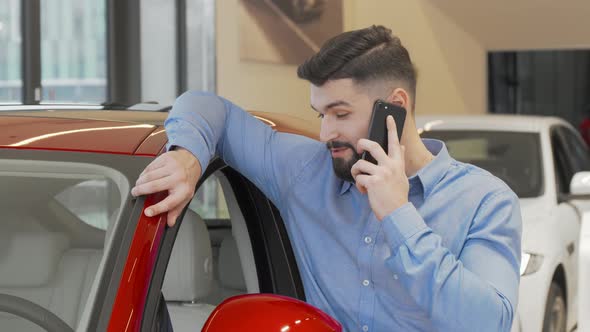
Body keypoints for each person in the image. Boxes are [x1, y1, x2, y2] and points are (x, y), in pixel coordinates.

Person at [131, 25, 522, 331]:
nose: (324, 134)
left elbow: (487, 322)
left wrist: (400, 216)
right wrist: (186, 156)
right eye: (321, 115)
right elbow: (205, 105)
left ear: (396, 107)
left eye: (340, 113)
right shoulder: (305, 171)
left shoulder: (485, 201)